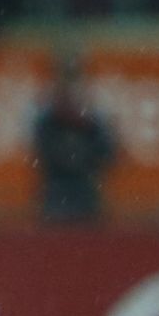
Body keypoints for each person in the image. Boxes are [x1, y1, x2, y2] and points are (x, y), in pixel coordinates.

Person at [33, 46, 118, 223]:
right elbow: (39, 149)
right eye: (66, 74)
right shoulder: (45, 109)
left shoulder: (94, 111)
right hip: (55, 190)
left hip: (85, 190)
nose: (69, 81)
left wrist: (84, 152)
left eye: (74, 74)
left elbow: (109, 152)